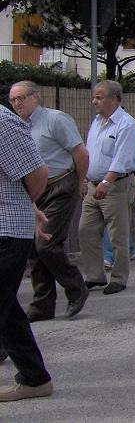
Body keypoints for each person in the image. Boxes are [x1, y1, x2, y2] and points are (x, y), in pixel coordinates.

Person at [8, 81, 89, 321]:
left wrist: (80, 181)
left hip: (60, 185)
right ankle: (42, 306)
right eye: (13, 100)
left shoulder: (55, 119)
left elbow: (80, 153)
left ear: (35, 98)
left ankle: (76, 287)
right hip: (34, 192)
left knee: (47, 244)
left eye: (21, 98)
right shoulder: (15, 126)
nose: (17, 103)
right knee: (33, 247)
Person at [0, 105, 53, 402]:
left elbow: (36, 173)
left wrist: (25, 205)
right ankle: (34, 378)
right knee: (7, 310)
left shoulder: (2, 123)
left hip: (5, 229)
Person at [79, 81, 135, 295]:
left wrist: (106, 182)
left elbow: (122, 158)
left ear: (113, 99)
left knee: (117, 235)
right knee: (85, 230)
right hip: (93, 186)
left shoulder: (126, 124)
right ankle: (95, 276)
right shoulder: (97, 122)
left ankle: (119, 278)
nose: (94, 101)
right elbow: (90, 153)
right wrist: (85, 179)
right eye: (94, 97)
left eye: (99, 97)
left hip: (115, 186)